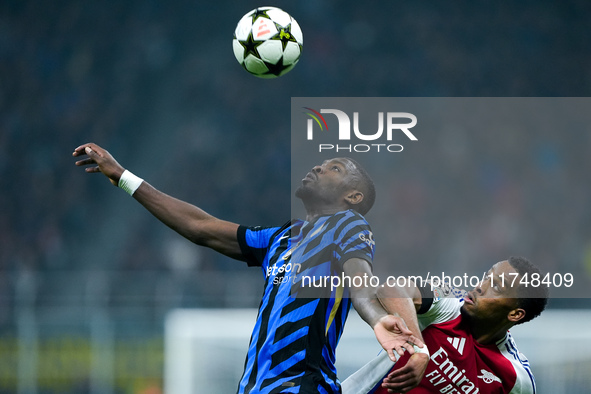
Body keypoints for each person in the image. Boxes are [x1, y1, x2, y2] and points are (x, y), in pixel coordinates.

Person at [72, 143, 424, 394]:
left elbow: (358, 277)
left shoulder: (348, 224)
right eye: (322, 163)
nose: (318, 167)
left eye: (335, 168)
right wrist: (124, 177)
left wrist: (376, 319)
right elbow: (201, 227)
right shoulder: (283, 238)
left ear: (353, 197)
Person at [341, 256, 548, 394]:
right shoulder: (449, 305)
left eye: (495, 286)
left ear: (515, 314)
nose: (479, 287)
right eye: (487, 276)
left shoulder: (516, 378)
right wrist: (420, 351)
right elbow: (392, 288)